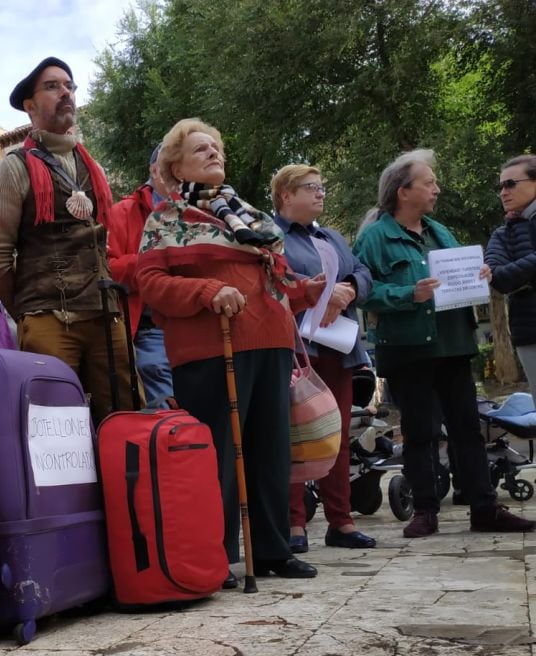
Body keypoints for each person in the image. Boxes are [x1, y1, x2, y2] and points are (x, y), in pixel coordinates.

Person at [137, 118, 324, 584]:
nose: (213, 154)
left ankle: (273, 550)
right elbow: (151, 283)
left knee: (270, 452)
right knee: (217, 454)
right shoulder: (166, 220)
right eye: (201, 150)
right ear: (176, 165)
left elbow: (272, 282)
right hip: (209, 349)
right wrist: (206, 291)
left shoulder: (250, 216)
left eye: (216, 148)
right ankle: (214, 555)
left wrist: (307, 292)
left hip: (271, 343)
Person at [354, 149, 534, 537]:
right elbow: (363, 291)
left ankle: (485, 508)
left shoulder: (440, 231)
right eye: (429, 182)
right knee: (420, 433)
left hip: (454, 344)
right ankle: (424, 510)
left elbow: (461, 278)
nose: (437, 188)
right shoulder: (374, 236)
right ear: (404, 191)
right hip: (407, 348)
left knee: (469, 430)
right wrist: (408, 294)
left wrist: (478, 272)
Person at [0, 57, 133, 425]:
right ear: (30, 107)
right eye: (52, 86)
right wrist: (30, 315)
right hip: (49, 318)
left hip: (105, 314)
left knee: (124, 418)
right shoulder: (14, 167)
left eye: (69, 86)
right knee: (55, 428)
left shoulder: (92, 166)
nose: (65, 92)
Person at [270, 164, 377, 553]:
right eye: (311, 188)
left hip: (340, 348)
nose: (321, 194)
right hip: (298, 349)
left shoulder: (331, 237)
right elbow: (272, 281)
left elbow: (364, 272)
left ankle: (342, 522)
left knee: (338, 434)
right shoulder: (271, 236)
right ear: (285, 195)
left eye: (322, 187)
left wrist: (349, 288)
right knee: (296, 435)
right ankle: (294, 523)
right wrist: (316, 293)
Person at [107, 145, 175, 408]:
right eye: (169, 163)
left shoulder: (202, 210)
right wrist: (153, 262)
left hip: (198, 327)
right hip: (152, 328)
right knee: (167, 409)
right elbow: (109, 268)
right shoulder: (123, 211)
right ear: (154, 169)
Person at [487, 154, 536, 398]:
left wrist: (525, 275)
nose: (503, 193)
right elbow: (499, 278)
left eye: (510, 184)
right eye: (501, 186)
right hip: (531, 332)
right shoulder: (502, 235)